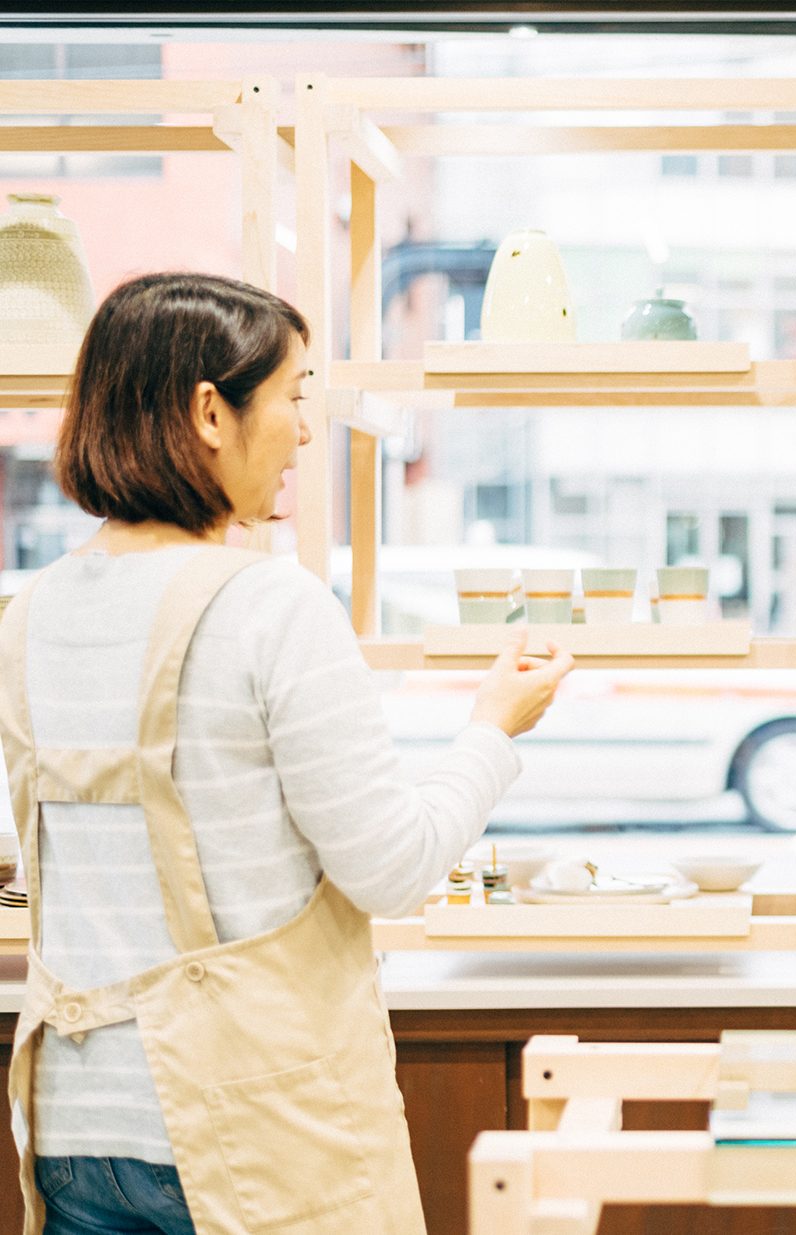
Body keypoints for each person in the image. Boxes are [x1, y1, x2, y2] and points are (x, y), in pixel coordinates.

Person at [0, 272, 574, 1235]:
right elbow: (390, 867)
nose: (306, 432)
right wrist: (492, 727)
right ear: (210, 411)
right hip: (245, 1126)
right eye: (295, 394)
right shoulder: (270, 604)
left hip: (74, 1123)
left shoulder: (31, 612)